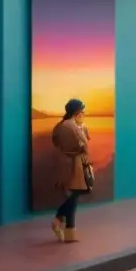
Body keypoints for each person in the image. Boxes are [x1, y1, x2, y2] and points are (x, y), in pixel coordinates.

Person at [50, 99, 91, 243]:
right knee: (74, 195)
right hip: (75, 164)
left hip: (64, 163)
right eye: (82, 110)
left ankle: (69, 231)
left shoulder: (60, 125)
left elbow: (55, 141)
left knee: (72, 195)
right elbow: (85, 146)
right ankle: (58, 219)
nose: (83, 113)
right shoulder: (73, 126)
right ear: (77, 111)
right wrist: (83, 131)